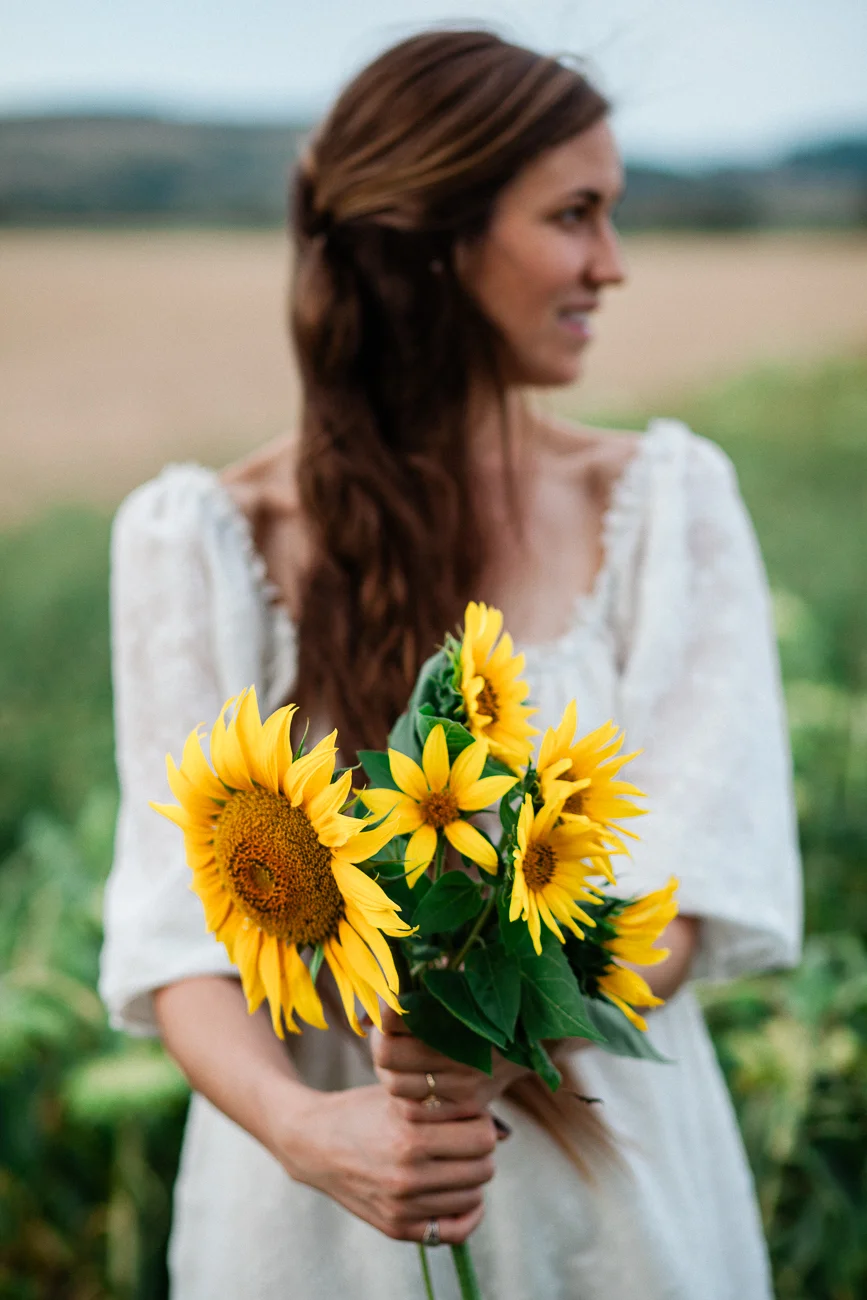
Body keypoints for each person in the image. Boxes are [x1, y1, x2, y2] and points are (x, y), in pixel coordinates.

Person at [99, 29, 802, 1300]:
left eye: (613, 214)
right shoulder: (198, 541)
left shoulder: (669, 507)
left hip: (611, 1215)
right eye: (576, 215)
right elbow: (174, 942)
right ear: (438, 238)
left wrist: (489, 1034)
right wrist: (316, 1134)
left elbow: (687, 896)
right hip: (299, 1223)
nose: (613, 264)